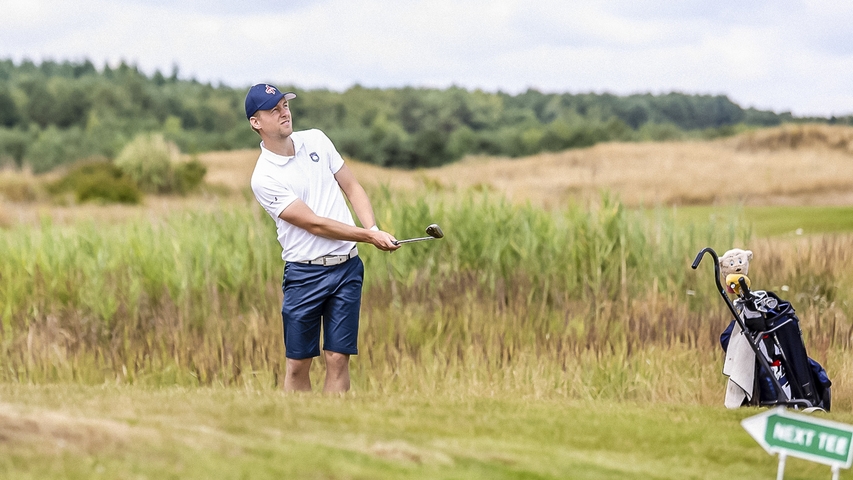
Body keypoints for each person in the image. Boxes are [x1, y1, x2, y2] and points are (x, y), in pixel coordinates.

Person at [246, 83, 400, 393]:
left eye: (285, 105)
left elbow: (352, 187)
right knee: (298, 362)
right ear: (256, 122)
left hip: (347, 268)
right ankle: (298, 429)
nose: (283, 112)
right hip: (305, 273)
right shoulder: (264, 177)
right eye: (273, 110)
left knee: (338, 357)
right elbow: (315, 224)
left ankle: (335, 425)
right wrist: (370, 238)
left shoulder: (316, 139)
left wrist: (371, 228)